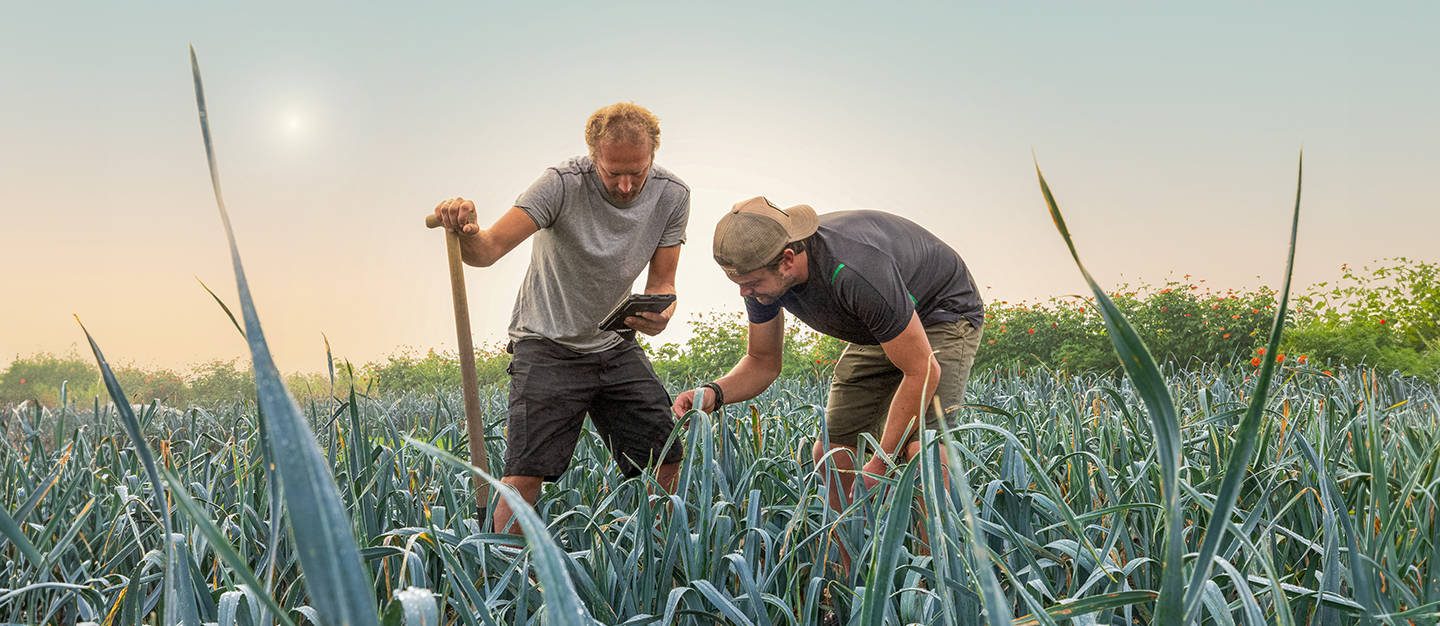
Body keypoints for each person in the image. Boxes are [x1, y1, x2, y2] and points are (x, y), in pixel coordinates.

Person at [433, 102, 689, 534]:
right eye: (613, 173)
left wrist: (662, 310)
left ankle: (655, 558)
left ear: (652, 157)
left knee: (665, 454)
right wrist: (466, 231)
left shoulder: (672, 195)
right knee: (525, 475)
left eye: (637, 172)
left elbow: (664, 282)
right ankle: (500, 578)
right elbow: (488, 250)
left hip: (614, 343)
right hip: (547, 344)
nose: (626, 186)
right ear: (593, 157)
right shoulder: (560, 184)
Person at [673, 197, 984, 509]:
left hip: (940, 312)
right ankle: (858, 557)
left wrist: (882, 460)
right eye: (737, 283)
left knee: (923, 452)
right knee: (832, 454)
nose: (744, 293)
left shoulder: (853, 270)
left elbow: (923, 370)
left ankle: (934, 557)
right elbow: (762, 361)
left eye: (751, 283)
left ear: (787, 259)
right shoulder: (761, 278)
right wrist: (713, 392)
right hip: (879, 328)